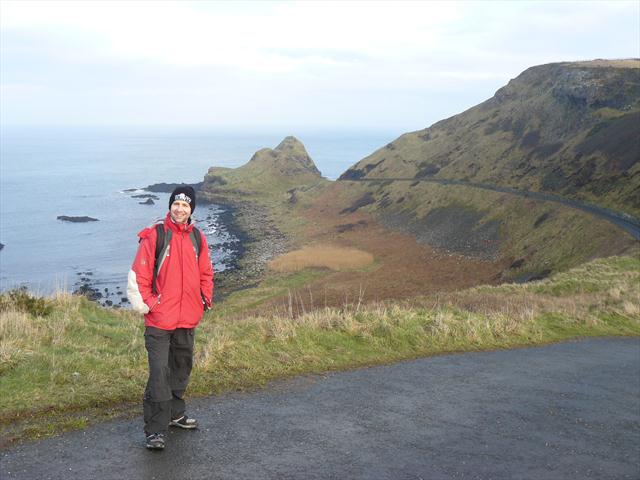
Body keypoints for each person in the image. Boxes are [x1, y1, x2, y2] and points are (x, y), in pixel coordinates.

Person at [127, 185, 214, 450]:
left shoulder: (197, 237)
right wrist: (152, 304)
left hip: (187, 318)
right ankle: (155, 430)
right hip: (159, 321)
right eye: (176, 204)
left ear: (191, 210)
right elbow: (139, 274)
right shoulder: (156, 235)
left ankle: (175, 415)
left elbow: (206, 273)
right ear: (170, 207)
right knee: (158, 375)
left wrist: (203, 300)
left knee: (180, 369)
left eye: (185, 205)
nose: (180, 209)